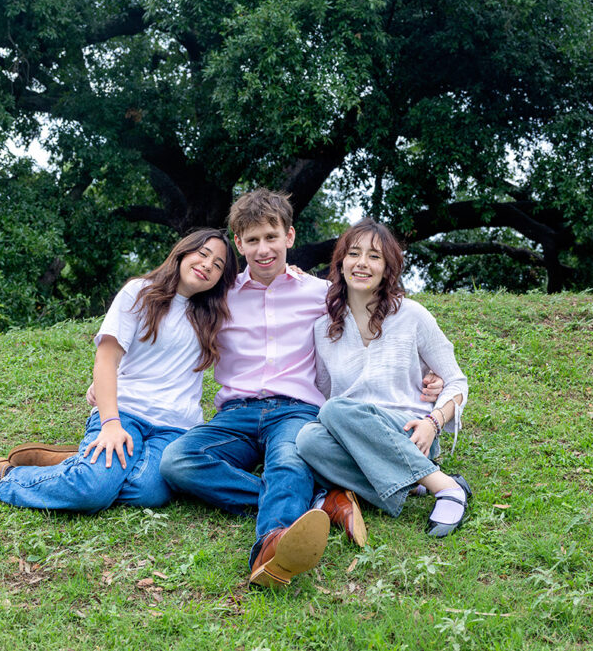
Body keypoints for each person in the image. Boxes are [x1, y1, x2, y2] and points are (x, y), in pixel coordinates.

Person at [157, 189, 445, 588]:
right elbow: (168, 332)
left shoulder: (321, 294)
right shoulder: (219, 298)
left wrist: (432, 375)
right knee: (177, 462)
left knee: (289, 465)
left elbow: (378, 325)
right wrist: (115, 377)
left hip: (295, 411)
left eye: (271, 237)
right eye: (252, 240)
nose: (263, 249)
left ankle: (272, 546)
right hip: (234, 415)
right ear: (238, 244)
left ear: (289, 237)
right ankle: (319, 503)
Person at [0, 228, 238, 514]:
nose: (206, 265)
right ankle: (6, 477)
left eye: (217, 265)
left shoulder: (214, 316)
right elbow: (106, 360)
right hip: (126, 413)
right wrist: (110, 423)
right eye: (202, 254)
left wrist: (284, 273)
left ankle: (81, 466)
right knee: (92, 491)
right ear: (183, 252)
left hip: (176, 426)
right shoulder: (139, 292)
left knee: (148, 491)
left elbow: (260, 294)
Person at [295, 218, 472, 538]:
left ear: (388, 267)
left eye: (374, 256)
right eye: (354, 254)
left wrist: (433, 422)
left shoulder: (413, 315)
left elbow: (457, 382)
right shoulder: (323, 329)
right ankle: (415, 483)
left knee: (335, 410)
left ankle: (444, 487)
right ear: (341, 263)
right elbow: (322, 393)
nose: (362, 263)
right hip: (355, 440)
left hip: (410, 435)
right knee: (308, 439)